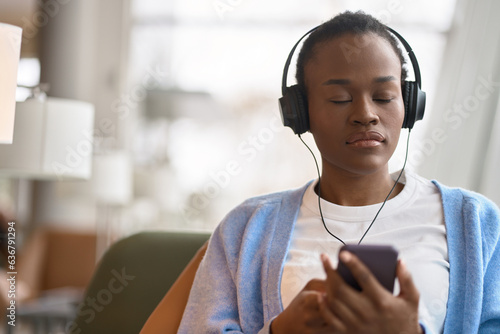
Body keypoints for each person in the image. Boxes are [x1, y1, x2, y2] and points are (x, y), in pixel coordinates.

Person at [171, 11, 500, 333]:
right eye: (340, 98)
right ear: (301, 114)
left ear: (410, 105)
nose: (366, 114)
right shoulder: (246, 229)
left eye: (384, 96)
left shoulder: (475, 221)